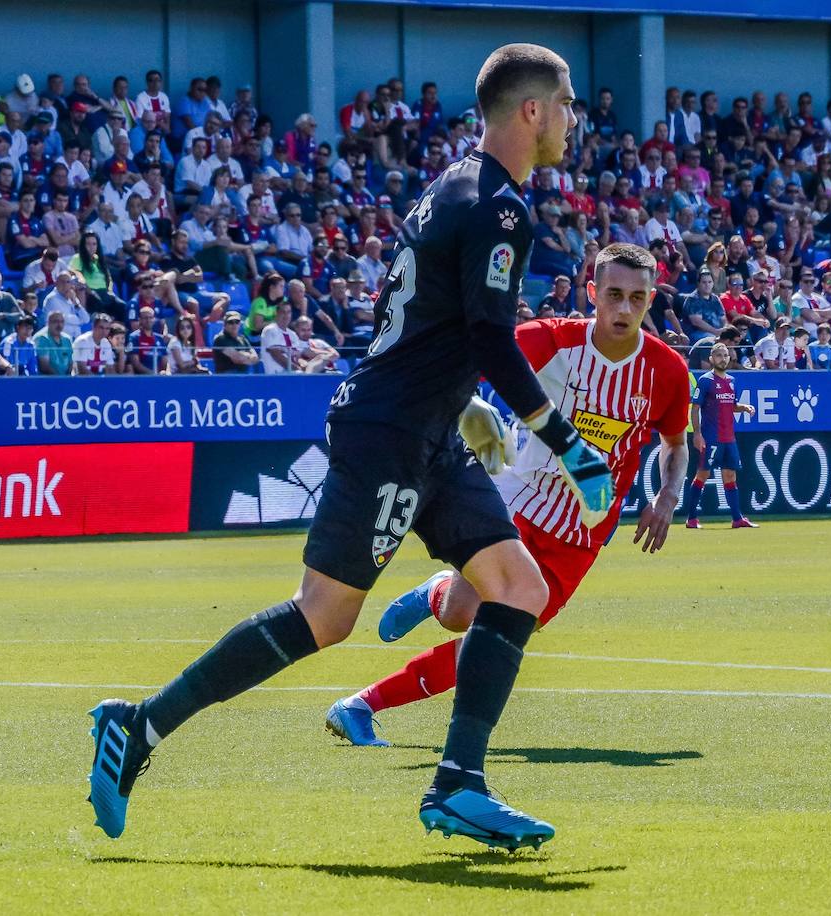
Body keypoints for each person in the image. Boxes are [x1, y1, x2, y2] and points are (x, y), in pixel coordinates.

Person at [85, 45, 614, 853]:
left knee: (517, 585)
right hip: (393, 435)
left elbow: (410, 317)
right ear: (532, 111)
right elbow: (491, 336)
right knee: (325, 616)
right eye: (568, 104)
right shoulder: (502, 208)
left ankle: (459, 784)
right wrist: (566, 445)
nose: (575, 121)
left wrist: (459, 396)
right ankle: (139, 727)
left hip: (427, 427)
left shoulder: (450, 189)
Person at [326, 243, 690, 746]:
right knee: (466, 617)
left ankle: (362, 704)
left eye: (637, 298)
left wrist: (667, 496)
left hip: (581, 531)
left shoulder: (668, 371)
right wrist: (466, 402)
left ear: (652, 299)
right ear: (592, 294)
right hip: (512, 501)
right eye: (613, 295)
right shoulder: (550, 340)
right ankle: (435, 601)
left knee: (494, 635)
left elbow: (677, 444)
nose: (624, 309)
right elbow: (465, 353)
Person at [683, 341, 757, 529]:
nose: (722, 359)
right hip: (711, 437)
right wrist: (698, 434)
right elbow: (695, 408)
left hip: (729, 437)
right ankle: (691, 519)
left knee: (730, 475)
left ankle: (737, 518)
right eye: (718, 355)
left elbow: (732, 405)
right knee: (702, 474)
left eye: (725, 355)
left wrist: (744, 407)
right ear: (711, 359)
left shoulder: (732, 381)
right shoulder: (705, 381)